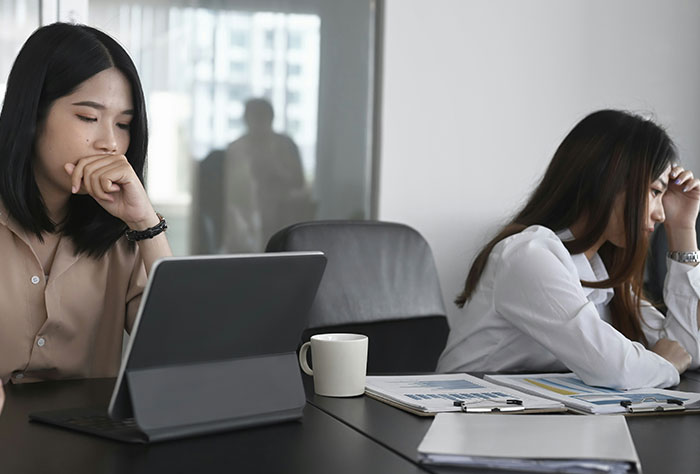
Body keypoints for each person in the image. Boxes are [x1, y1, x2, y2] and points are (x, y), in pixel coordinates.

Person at [438, 109, 700, 390]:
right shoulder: (528, 256)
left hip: (536, 421)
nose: (661, 215)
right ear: (608, 181)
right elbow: (616, 369)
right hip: (462, 420)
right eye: (655, 192)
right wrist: (665, 364)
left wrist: (683, 230)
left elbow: (686, 350)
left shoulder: (600, 269)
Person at [0, 23, 172, 384]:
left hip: (92, 439)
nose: (109, 143)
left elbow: (183, 353)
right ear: (32, 114)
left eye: (123, 124)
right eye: (88, 118)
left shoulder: (125, 234)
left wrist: (145, 224)